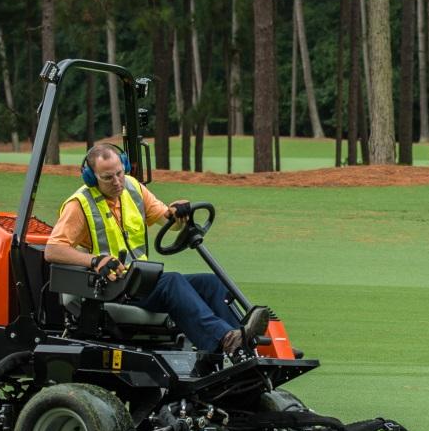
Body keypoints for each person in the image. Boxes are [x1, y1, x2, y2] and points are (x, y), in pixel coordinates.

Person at [44, 142, 270, 354]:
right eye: (107, 178)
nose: (117, 182)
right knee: (172, 282)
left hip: (141, 281)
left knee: (211, 284)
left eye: (119, 173)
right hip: (111, 287)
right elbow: (53, 250)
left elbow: (166, 220)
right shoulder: (79, 205)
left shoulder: (132, 188)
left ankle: (244, 346)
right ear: (91, 178)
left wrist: (177, 213)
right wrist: (94, 261)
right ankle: (225, 340)